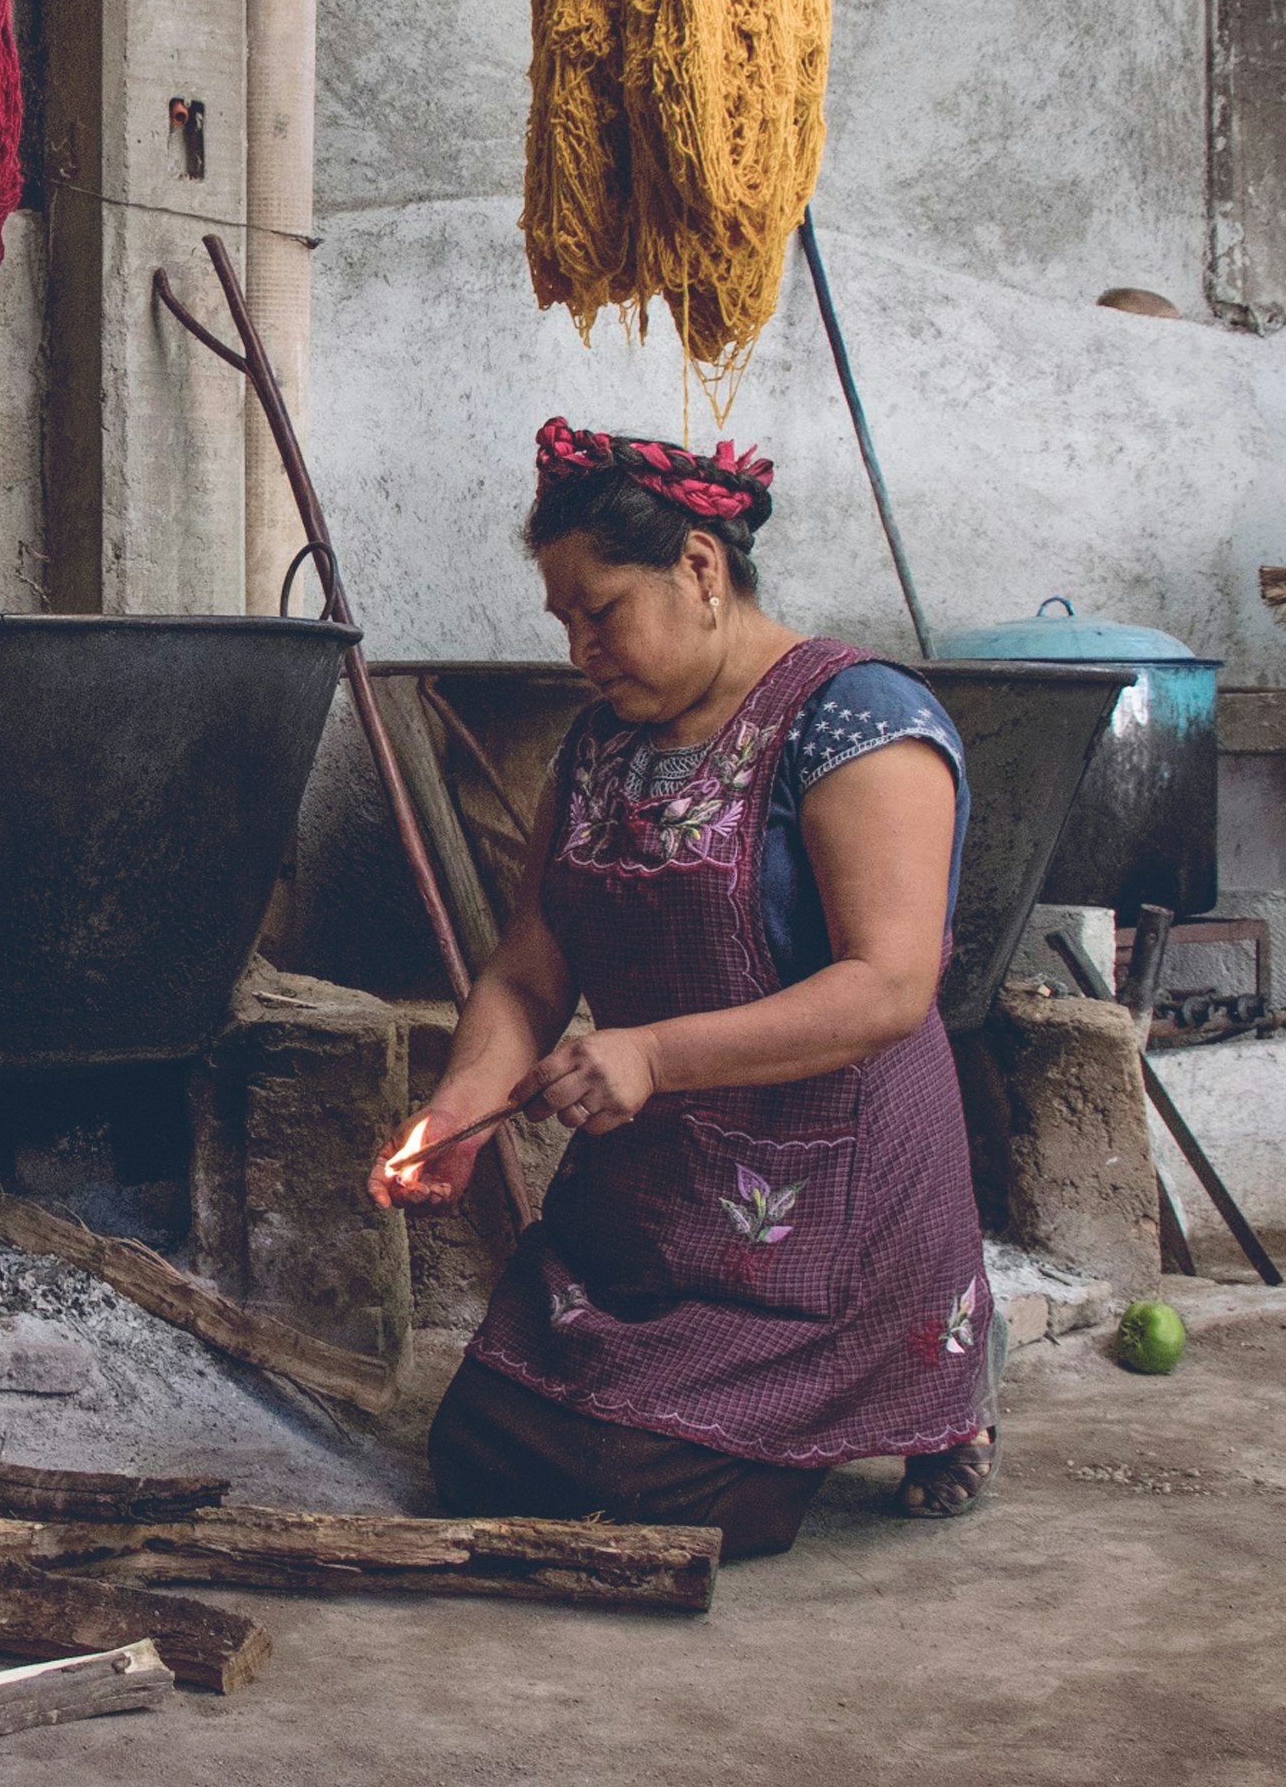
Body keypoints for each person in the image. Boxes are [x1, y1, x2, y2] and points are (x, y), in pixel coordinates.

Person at [373, 418, 993, 1556]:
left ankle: (930, 1404)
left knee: (652, 1487)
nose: (580, 650)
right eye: (563, 620)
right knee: (481, 1450)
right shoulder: (598, 747)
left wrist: (653, 1056)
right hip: (656, 1188)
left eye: (601, 611)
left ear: (700, 569)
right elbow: (530, 964)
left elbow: (891, 986)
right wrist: (462, 1107)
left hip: (825, 1181)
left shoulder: (858, 723)